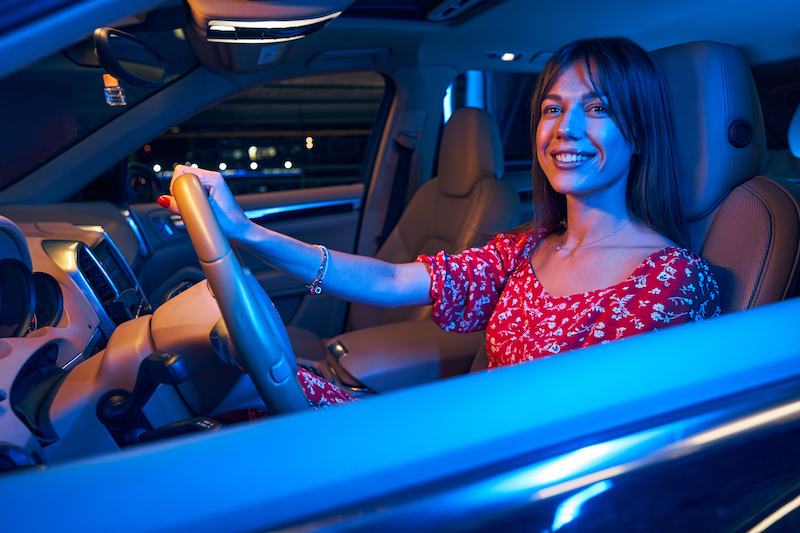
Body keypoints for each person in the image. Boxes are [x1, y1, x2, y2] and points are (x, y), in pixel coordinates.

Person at [157, 37, 721, 408]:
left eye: (596, 109)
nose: (565, 129)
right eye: (552, 108)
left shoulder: (671, 283)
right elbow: (391, 282)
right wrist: (247, 232)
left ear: (640, 132)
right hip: (458, 438)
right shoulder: (523, 250)